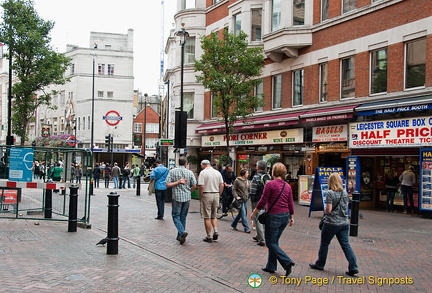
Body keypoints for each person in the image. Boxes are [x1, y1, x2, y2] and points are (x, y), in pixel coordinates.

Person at [250, 162, 295, 277]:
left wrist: (254, 212)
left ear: (273, 172)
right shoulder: (287, 186)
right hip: (284, 216)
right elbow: (290, 202)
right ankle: (271, 266)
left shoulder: (270, 184)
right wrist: (291, 217)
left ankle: (287, 262)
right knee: (274, 241)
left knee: (270, 242)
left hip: (273, 216)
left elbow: (263, 201)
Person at [309, 172, 358, 277]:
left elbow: (328, 210)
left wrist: (325, 210)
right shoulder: (345, 193)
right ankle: (353, 266)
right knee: (345, 245)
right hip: (344, 223)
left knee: (324, 244)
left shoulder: (330, 193)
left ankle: (320, 264)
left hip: (331, 223)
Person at [165, 157, 197, 244]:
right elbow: (194, 185)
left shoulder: (172, 171)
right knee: (183, 216)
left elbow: (167, 184)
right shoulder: (190, 172)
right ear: (186, 163)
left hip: (177, 197)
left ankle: (181, 233)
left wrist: (177, 182)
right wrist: (189, 191)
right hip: (187, 197)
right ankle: (180, 235)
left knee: (175, 216)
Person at [198, 159, 224, 243]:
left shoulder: (203, 173)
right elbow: (222, 184)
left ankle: (209, 236)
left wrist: (201, 196)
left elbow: (201, 186)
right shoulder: (217, 172)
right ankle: (215, 230)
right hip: (216, 194)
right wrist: (219, 194)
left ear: (203, 165)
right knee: (214, 215)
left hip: (207, 194)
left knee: (206, 216)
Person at [249, 160, 271, 247]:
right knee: (264, 217)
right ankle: (260, 236)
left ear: (258, 167)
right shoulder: (268, 176)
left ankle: (261, 239)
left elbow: (253, 190)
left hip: (257, 200)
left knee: (257, 218)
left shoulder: (256, 177)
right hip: (266, 200)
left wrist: (252, 198)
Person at [231, 168, 251, 233]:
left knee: (241, 213)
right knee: (243, 214)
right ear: (243, 174)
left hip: (246, 199)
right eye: (247, 173)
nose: (248, 174)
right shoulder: (237, 180)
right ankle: (246, 228)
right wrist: (236, 197)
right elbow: (233, 189)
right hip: (240, 199)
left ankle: (234, 224)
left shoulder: (247, 181)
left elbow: (249, 189)